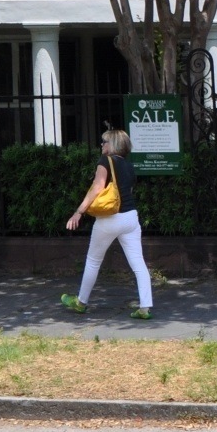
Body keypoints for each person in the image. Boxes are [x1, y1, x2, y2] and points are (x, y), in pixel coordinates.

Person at [62, 129, 153, 319]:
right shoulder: (129, 165)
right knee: (138, 263)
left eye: (104, 141)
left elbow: (97, 187)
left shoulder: (106, 161)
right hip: (130, 218)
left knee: (93, 261)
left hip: (109, 219)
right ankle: (145, 307)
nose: (101, 144)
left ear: (113, 145)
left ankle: (81, 302)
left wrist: (79, 212)